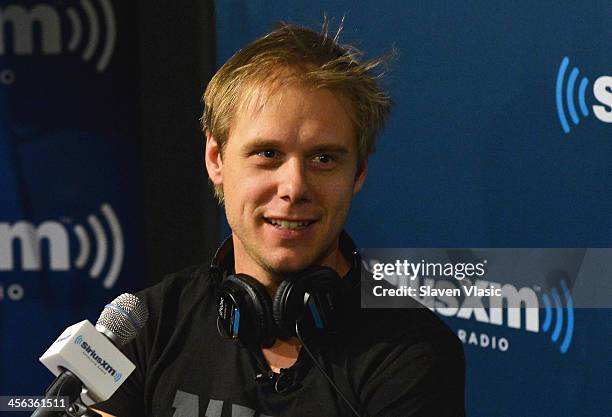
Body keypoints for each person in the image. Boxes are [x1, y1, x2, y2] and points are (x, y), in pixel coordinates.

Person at [95, 22, 465, 417]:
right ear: (216, 160)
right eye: (267, 154)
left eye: (323, 158)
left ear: (357, 173)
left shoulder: (410, 354)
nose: (294, 187)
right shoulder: (150, 325)